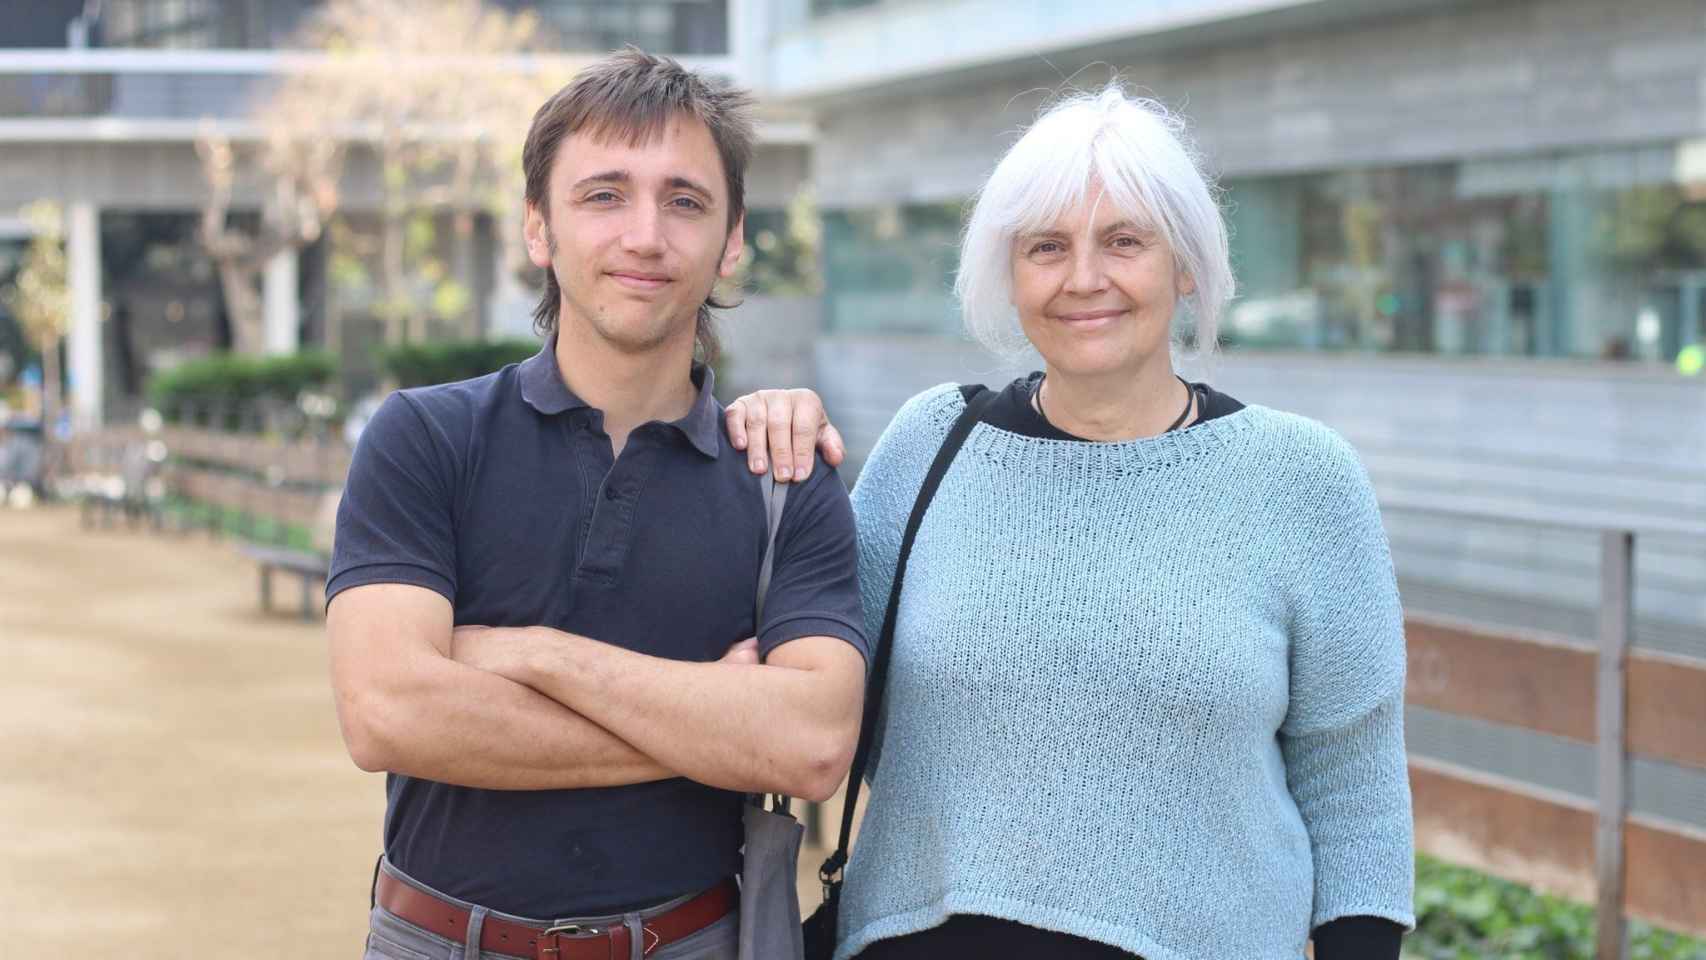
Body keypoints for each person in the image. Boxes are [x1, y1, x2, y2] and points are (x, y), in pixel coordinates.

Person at [726, 85, 1414, 960]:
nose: (1083, 277)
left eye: (1124, 241)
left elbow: (1353, 784)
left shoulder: (1301, 478)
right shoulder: (931, 446)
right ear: (1008, 275)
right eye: (1046, 246)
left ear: (1187, 264)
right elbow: (816, 691)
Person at [326, 49, 869, 960]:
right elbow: (389, 713)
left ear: (733, 238)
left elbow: (811, 746)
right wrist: (719, 727)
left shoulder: (785, 478)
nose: (645, 235)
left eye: (685, 200)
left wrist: (533, 654)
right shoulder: (426, 437)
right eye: (604, 194)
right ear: (540, 228)